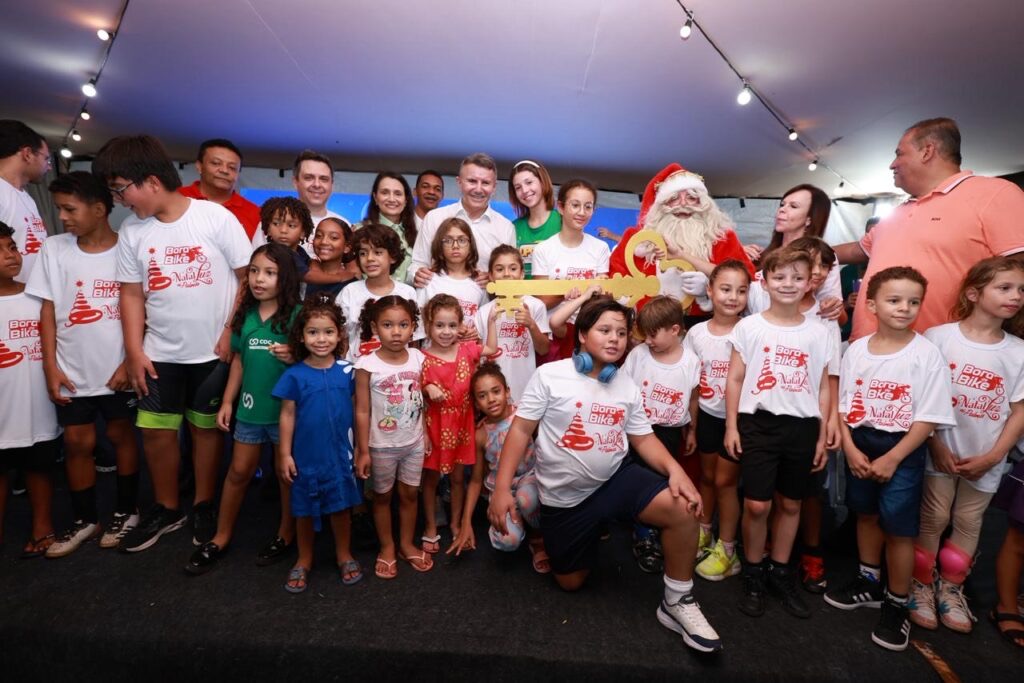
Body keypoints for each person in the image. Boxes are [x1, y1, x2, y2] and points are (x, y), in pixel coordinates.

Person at [489, 297, 722, 653]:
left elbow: (643, 439)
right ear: (582, 334)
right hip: (565, 498)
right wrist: (501, 489)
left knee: (682, 507)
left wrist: (677, 472)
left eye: (622, 333)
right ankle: (587, 531)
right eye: (604, 330)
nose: (615, 339)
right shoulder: (550, 375)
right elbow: (520, 431)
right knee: (570, 582)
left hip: (615, 479)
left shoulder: (625, 385)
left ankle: (677, 600)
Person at [94, 134, 252, 552]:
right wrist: (133, 350)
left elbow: (246, 279)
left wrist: (229, 332)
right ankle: (166, 506)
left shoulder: (214, 219)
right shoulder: (132, 230)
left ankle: (203, 502)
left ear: (149, 180)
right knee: (157, 433)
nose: (121, 200)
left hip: (212, 353)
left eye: (121, 189)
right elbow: (130, 293)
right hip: (158, 353)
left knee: (205, 431)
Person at [826, 266, 955, 652]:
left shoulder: (927, 355)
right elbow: (842, 406)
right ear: (871, 304)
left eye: (913, 302)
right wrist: (849, 448)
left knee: (899, 528)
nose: (904, 308)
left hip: (903, 447)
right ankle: (869, 581)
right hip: (861, 443)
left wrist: (894, 457)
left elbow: (928, 417)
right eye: (894, 300)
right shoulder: (857, 350)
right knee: (864, 513)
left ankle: (898, 602)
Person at [25, 173, 140, 556]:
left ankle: (127, 510)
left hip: (118, 371)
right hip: (72, 371)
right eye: (59, 208)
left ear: (99, 209)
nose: (62, 217)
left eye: (69, 209)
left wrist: (129, 360)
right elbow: (47, 310)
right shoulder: (54, 249)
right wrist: (49, 368)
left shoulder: (127, 248)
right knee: (77, 442)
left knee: (122, 436)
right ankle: (85, 518)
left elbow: (144, 310)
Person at [832, 118, 1024, 340]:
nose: (892, 164)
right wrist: (801, 251)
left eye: (899, 154)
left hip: (941, 356)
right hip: (867, 351)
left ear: (927, 152)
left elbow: (1018, 269)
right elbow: (858, 250)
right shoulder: (900, 210)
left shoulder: (996, 194)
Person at [910, 257, 1024, 632]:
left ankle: (951, 588)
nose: (1016, 296)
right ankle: (921, 585)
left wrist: (994, 456)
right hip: (940, 451)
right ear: (974, 293)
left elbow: (1019, 411)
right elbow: (920, 396)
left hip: (986, 458)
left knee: (967, 520)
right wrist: (935, 443)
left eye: (1021, 290)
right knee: (935, 517)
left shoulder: (1018, 352)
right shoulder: (938, 338)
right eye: (1004, 288)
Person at [724, 247, 834, 621]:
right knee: (757, 504)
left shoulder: (820, 332)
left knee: (791, 503)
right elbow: (735, 378)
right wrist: (731, 425)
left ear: (809, 282)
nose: (789, 284)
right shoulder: (750, 326)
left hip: (802, 427)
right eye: (780, 277)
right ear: (764, 281)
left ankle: (780, 572)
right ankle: (753, 571)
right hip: (758, 423)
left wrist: (821, 435)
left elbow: (822, 387)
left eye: (797, 278)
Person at [184, 244, 302, 575]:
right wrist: (226, 401)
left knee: (285, 476)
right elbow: (237, 361)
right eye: (254, 271)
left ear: (286, 278)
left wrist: (297, 354)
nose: (259, 279)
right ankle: (221, 537)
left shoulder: (297, 316)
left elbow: (314, 358)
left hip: (285, 414)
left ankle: (286, 533)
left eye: (269, 272)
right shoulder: (245, 317)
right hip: (250, 410)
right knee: (237, 472)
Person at [274, 296, 363, 592]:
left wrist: (362, 449)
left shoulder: (348, 373)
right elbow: (287, 415)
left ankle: (343, 554)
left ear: (339, 334)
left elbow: (359, 410)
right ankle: (304, 559)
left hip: (340, 456)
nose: (321, 339)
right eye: (313, 332)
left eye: (327, 332)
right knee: (303, 510)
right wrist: (285, 453)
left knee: (340, 508)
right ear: (301, 335)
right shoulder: (294, 375)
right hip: (306, 457)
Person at [608, 163, 754, 319]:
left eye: (692, 198)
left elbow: (746, 278)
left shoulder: (723, 238)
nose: (683, 204)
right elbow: (615, 277)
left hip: (703, 326)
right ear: (660, 206)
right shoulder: (636, 239)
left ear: (704, 204)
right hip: (646, 328)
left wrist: (708, 288)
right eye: (674, 199)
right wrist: (631, 323)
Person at [621, 296, 702, 574]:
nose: (648, 340)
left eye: (653, 334)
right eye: (645, 334)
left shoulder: (691, 361)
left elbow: (693, 397)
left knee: (662, 481)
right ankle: (642, 534)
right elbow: (622, 387)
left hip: (669, 432)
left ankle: (657, 528)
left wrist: (691, 429)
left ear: (675, 330)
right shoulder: (639, 354)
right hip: (638, 430)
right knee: (637, 478)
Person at [354, 295, 430, 578]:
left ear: (413, 328)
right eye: (387, 325)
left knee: (410, 494)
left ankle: (406, 544)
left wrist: (427, 435)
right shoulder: (366, 365)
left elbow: (425, 401)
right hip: (381, 446)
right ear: (375, 327)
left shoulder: (420, 358)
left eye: (403, 325)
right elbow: (362, 411)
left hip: (414, 442)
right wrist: (363, 450)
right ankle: (387, 547)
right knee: (382, 497)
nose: (396, 332)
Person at [449, 363, 548, 573]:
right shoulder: (481, 434)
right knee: (507, 541)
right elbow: (476, 480)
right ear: (476, 403)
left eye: (496, 391)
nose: (491, 399)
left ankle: (537, 537)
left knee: (526, 498)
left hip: (530, 479)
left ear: (507, 391)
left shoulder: (524, 415)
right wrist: (466, 522)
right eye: (483, 396)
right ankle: (517, 521)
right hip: (501, 491)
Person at [418, 294, 497, 554]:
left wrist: (492, 321)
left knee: (458, 479)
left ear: (460, 325)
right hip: (434, 425)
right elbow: (412, 390)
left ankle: (455, 523)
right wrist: (427, 387)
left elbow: (492, 350)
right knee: (430, 479)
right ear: (428, 325)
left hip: (463, 424)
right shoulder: (420, 358)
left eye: (452, 325)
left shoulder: (467, 350)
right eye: (439, 325)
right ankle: (430, 526)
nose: (446, 331)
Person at [0, 221, 59, 556]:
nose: (11, 255)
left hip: (36, 406)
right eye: (1, 250)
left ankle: (42, 525)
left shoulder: (37, 298)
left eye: (12, 247)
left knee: (39, 467)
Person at [689, 260, 750, 582]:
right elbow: (693, 385)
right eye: (725, 289)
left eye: (741, 291)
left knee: (727, 483)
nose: (732, 297)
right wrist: (692, 424)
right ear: (710, 290)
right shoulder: (696, 333)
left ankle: (729, 550)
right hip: (709, 418)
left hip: (738, 422)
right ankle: (705, 531)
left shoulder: (751, 330)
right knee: (709, 478)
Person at [531, 179, 610, 360]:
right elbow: (541, 302)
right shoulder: (544, 250)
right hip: (554, 336)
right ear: (561, 207)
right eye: (575, 205)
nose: (582, 212)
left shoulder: (600, 248)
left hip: (591, 336)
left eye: (588, 207)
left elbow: (603, 295)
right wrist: (564, 294)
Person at [409, 153, 515, 287]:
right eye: (472, 181)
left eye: (486, 183)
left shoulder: (506, 228)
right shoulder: (434, 218)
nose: (478, 189)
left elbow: (511, 278)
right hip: (436, 303)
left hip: (484, 305)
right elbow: (417, 264)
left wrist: (493, 280)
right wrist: (416, 275)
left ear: (494, 187)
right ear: (459, 182)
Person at [474, 245, 551, 404]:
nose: (507, 274)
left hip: (526, 391)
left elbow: (544, 349)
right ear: (491, 276)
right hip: (493, 396)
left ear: (522, 274)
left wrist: (531, 324)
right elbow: (478, 356)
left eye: (513, 268)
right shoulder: (484, 312)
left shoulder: (535, 306)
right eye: (500, 269)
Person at [337, 223, 419, 362]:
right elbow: (341, 337)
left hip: (396, 374)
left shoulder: (407, 292)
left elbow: (414, 340)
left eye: (378, 252)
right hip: (356, 370)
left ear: (392, 257)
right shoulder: (349, 291)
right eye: (363, 253)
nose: (369, 258)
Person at [415, 217, 489, 337]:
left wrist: (477, 333)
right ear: (440, 246)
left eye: (462, 240)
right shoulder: (428, 280)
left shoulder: (480, 283)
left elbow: (485, 321)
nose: (455, 246)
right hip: (433, 353)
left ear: (471, 246)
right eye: (448, 241)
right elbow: (418, 324)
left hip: (468, 353)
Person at [178, 138, 260, 240]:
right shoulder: (175, 198)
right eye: (216, 163)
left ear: (238, 173)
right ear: (199, 166)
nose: (224, 170)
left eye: (232, 167)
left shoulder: (255, 214)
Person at [0, 120, 50, 282]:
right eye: (46, 159)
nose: (49, 167)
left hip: (30, 299)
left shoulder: (26, 197)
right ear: (27, 154)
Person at [359, 172, 417, 283]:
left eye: (398, 194)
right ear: (375, 197)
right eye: (385, 192)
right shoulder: (360, 231)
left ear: (406, 200)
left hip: (407, 297)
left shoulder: (415, 234)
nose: (391, 199)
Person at [508, 160, 560, 278]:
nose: (525, 190)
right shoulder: (512, 227)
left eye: (529, 182)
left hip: (558, 295)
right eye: (518, 187)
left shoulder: (563, 222)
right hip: (522, 295)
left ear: (542, 182)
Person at [258, 197, 313, 280]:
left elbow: (310, 264)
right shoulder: (272, 254)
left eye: (291, 225)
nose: (283, 230)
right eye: (276, 224)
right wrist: (338, 277)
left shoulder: (300, 252)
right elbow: (308, 276)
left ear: (303, 232)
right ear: (268, 229)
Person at [304, 217, 356, 300]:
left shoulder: (351, 284)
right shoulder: (303, 272)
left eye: (334, 238)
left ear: (347, 247)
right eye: (319, 236)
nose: (324, 241)